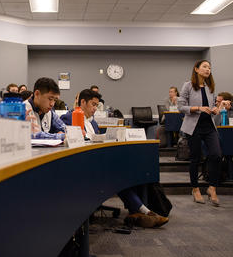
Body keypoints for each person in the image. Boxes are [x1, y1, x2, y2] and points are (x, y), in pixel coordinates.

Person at [61, 89, 169, 228]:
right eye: (93, 105)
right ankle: (143, 211)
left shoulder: (93, 123)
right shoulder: (68, 117)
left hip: (97, 162)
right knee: (117, 175)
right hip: (81, 166)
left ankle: (138, 211)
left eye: (97, 106)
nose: (95, 109)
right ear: (82, 102)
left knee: (130, 170)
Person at [178, 60, 221, 206]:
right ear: (196, 69)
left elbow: (212, 107)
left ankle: (212, 188)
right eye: (204, 67)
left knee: (216, 155)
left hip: (209, 125)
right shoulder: (188, 85)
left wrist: (216, 109)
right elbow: (181, 107)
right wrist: (198, 108)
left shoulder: (210, 87)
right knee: (195, 158)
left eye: (209, 67)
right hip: (194, 126)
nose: (207, 69)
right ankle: (195, 189)